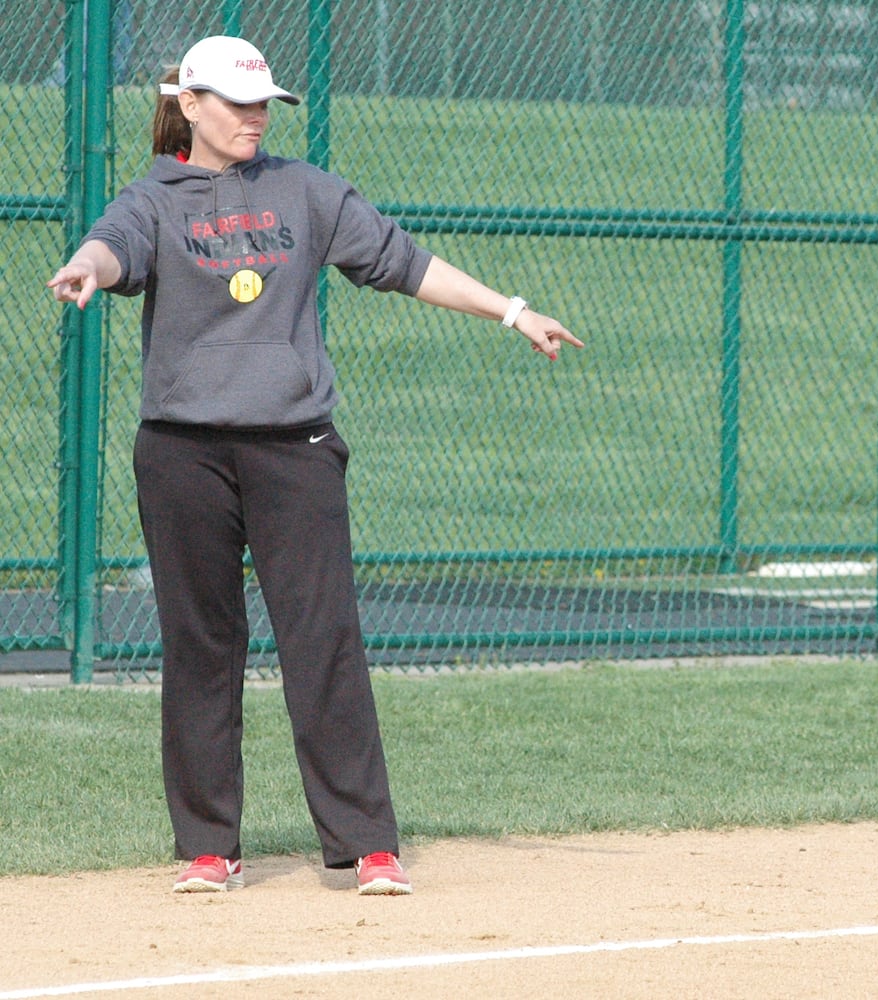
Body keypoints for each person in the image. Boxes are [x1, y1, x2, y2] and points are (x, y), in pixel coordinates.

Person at [46, 35, 582, 895]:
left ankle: (366, 845)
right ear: (190, 105)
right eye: (236, 102)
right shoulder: (153, 197)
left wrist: (511, 310)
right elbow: (114, 247)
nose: (255, 117)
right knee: (200, 647)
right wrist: (85, 267)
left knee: (322, 640)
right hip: (183, 453)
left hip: (293, 449)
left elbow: (405, 263)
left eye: (265, 103)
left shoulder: (306, 189)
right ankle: (209, 848)